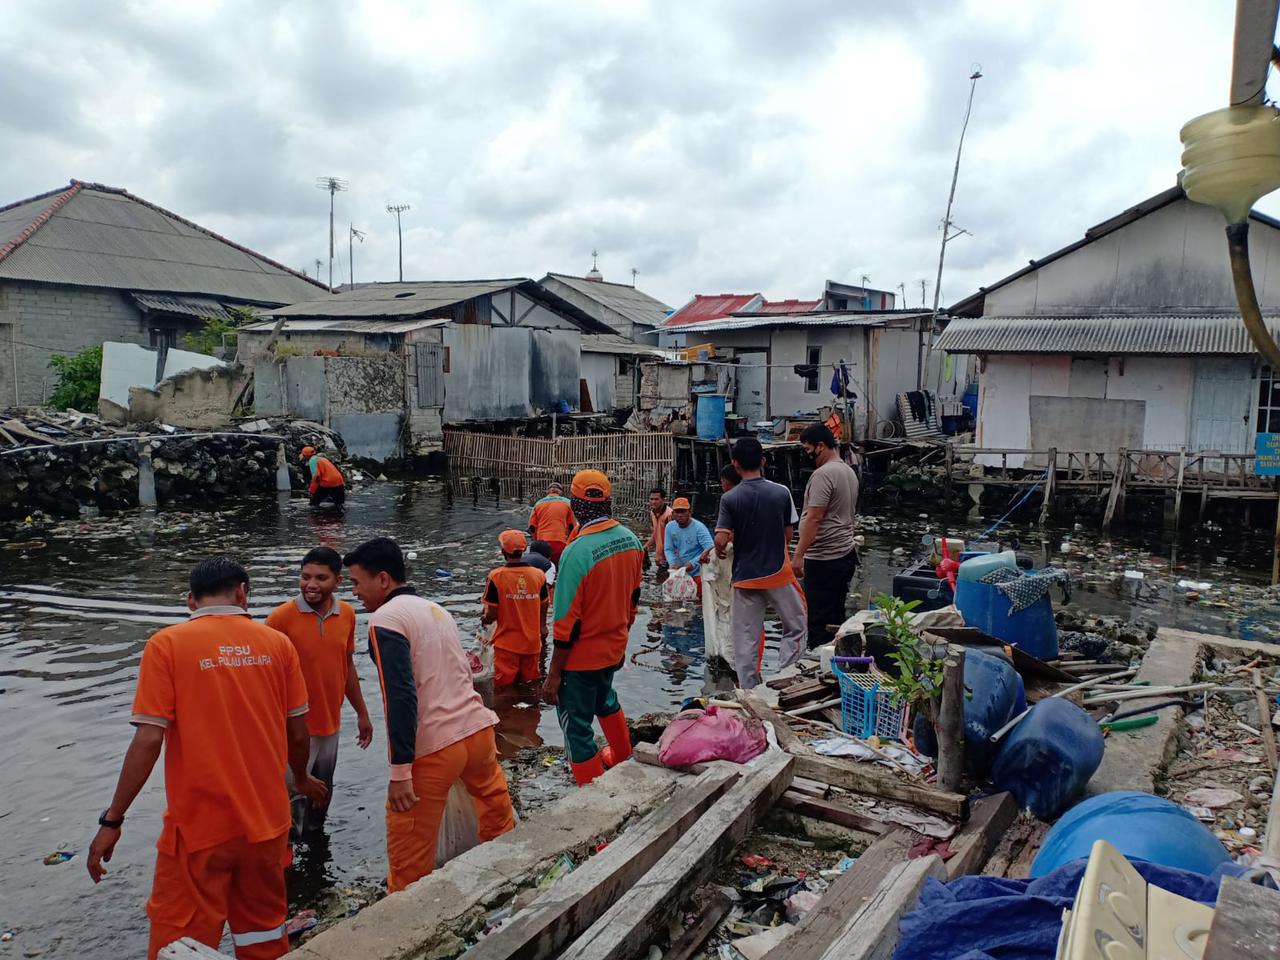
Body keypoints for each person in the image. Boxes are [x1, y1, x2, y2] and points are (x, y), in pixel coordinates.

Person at [87, 558, 328, 960]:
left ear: (190, 601)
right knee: (263, 934)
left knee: (179, 943)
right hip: (268, 824)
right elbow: (299, 732)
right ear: (242, 593)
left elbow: (149, 740)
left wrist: (113, 819)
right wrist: (300, 777)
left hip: (201, 830)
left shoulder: (168, 645)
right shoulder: (277, 644)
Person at [344, 537, 515, 892]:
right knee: (496, 816)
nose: (355, 592)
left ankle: (409, 925)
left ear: (383, 580)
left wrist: (400, 772)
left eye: (357, 583)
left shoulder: (385, 619)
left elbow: (400, 697)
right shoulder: (435, 609)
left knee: (410, 845)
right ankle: (511, 879)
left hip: (437, 747)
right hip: (477, 731)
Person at [543, 469, 643, 786]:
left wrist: (553, 675)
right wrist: (622, 642)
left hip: (580, 659)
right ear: (608, 502)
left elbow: (565, 626)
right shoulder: (632, 540)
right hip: (613, 649)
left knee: (577, 729)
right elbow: (633, 600)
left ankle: (594, 808)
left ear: (574, 504)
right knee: (606, 700)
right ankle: (623, 759)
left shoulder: (577, 553)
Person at [265, 547, 374, 838]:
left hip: (330, 724)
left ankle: (314, 856)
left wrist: (363, 713)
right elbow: (265, 677)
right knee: (286, 804)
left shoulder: (347, 615)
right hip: (292, 728)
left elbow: (346, 665)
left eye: (321, 578)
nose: (311, 585)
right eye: (305, 577)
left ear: (338, 581)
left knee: (320, 797)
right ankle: (286, 866)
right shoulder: (280, 619)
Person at [714, 437, 806, 689]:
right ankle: (787, 677)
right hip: (778, 573)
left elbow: (722, 539)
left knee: (745, 640)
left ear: (735, 464)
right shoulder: (781, 492)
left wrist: (720, 548)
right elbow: (788, 536)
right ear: (763, 461)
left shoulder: (730, 499)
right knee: (796, 626)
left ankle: (750, 689)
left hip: (745, 577)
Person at [791, 423, 861, 648]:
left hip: (825, 558)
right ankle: (836, 658)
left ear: (821, 446)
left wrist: (799, 554)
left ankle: (819, 662)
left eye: (807, 448)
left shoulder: (824, 474)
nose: (806, 454)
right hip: (844, 553)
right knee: (835, 615)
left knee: (819, 619)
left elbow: (814, 517)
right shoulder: (847, 470)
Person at [482, 530, 550, 688]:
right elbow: (544, 603)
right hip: (532, 644)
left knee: (504, 689)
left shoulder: (496, 576)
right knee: (531, 685)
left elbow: (491, 613)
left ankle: (507, 712)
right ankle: (531, 711)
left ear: (503, 551)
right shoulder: (538, 575)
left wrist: (485, 619)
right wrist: (542, 626)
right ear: (524, 549)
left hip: (507, 646)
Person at [663, 496, 714, 597]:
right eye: (677, 512)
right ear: (672, 514)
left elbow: (710, 548)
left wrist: (693, 563)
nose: (680, 515)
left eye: (683, 512)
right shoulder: (670, 527)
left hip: (698, 572)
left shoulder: (699, 528)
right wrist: (673, 563)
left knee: (697, 601)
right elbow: (668, 548)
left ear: (689, 512)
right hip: (680, 572)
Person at [528, 482, 577, 564]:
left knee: (542, 572)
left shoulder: (538, 504)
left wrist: (537, 539)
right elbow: (572, 526)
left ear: (547, 492)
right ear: (561, 493)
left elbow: (532, 527)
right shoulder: (568, 503)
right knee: (559, 571)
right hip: (560, 542)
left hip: (541, 543)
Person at [642, 487, 672, 572]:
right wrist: (646, 546)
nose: (653, 502)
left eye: (656, 499)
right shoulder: (652, 513)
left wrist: (661, 555)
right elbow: (656, 533)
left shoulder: (669, 515)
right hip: (660, 556)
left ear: (663, 500)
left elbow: (673, 539)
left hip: (669, 557)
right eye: (651, 499)